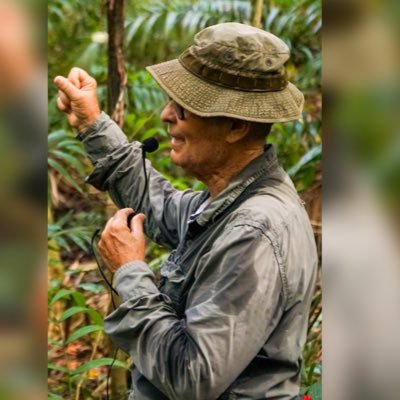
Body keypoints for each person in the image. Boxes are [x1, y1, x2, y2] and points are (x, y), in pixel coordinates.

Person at [55, 22, 317, 400]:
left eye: (184, 107)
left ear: (236, 126)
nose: (166, 114)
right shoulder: (232, 200)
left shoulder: (254, 230)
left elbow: (191, 377)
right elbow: (159, 206)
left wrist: (130, 273)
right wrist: (92, 124)